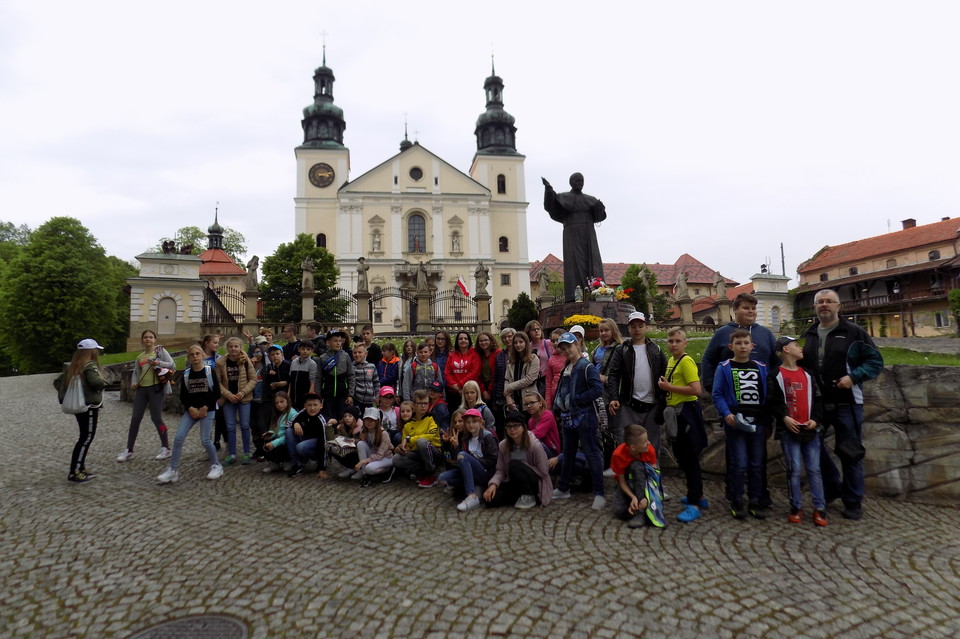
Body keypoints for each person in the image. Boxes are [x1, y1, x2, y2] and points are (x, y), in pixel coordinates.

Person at [801, 289, 883, 521]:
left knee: (850, 453)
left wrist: (853, 377)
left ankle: (853, 500)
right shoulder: (809, 334)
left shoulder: (854, 333)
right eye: (820, 302)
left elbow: (875, 361)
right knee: (812, 445)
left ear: (839, 306)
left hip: (847, 402)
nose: (824, 305)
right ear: (815, 307)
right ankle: (832, 486)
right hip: (818, 403)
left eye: (829, 301)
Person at [700, 292, 779, 508]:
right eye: (746, 308)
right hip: (733, 404)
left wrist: (773, 393)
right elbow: (708, 359)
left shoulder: (765, 334)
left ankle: (760, 493)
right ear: (735, 309)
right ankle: (733, 492)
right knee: (735, 455)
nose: (751, 312)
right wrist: (710, 386)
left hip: (760, 405)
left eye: (753, 308)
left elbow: (775, 362)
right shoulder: (723, 333)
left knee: (758, 455)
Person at [712, 328, 773, 520]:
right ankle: (737, 498)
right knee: (739, 463)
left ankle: (755, 499)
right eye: (738, 343)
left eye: (746, 343)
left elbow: (767, 394)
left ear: (752, 346)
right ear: (731, 347)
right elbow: (717, 393)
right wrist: (726, 413)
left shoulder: (761, 367)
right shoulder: (724, 367)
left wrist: (767, 417)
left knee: (756, 463)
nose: (743, 346)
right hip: (735, 422)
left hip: (757, 422)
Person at [770, 336, 828, 527]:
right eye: (796, 345)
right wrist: (784, 417)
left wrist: (816, 420)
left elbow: (819, 400)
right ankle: (796, 505)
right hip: (789, 430)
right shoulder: (775, 375)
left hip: (810, 428)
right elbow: (773, 401)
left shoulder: (808, 375)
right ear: (785, 349)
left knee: (814, 469)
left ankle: (820, 507)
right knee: (794, 469)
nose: (800, 348)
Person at [657, 327, 708, 523]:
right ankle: (698, 495)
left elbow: (696, 389)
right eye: (670, 341)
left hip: (686, 413)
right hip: (676, 415)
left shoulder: (686, 361)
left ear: (685, 343)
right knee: (684, 458)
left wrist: (668, 387)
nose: (673, 344)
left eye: (677, 341)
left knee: (690, 458)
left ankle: (694, 503)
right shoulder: (671, 360)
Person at [551, 331, 606, 510]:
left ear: (577, 344)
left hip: (584, 416)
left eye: (569, 347)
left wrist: (579, 399)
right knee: (568, 453)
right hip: (568, 417)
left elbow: (597, 389)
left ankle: (599, 493)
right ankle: (564, 487)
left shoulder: (586, 366)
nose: (567, 351)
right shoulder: (567, 366)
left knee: (591, 453)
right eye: (563, 349)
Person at [156, 344, 223, 483]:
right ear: (188, 357)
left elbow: (216, 392)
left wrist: (205, 407)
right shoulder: (187, 374)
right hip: (191, 410)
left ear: (203, 355)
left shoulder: (209, 371)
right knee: (179, 438)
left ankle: (216, 465)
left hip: (207, 410)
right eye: (192, 355)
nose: (195, 357)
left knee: (205, 440)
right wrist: (190, 408)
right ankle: (173, 470)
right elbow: (183, 396)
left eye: (197, 354)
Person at [605, 311, 668, 450]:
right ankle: (630, 470)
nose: (637, 329)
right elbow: (613, 374)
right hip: (630, 403)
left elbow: (665, 372)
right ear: (629, 329)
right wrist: (614, 396)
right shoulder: (622, 350)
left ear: (646, 327)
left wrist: (664, 396)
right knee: (629, 443)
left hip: (653, 404)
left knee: (652, 444)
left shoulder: (656, 350)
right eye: (633, 326)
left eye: (640, 325)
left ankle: (652, 470)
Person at [542, 172, 607, 303]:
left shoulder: (591, 199)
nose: (579, 183)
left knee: (592, 262)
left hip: (589, 233)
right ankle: (574, 296)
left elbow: (600, 216)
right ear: (571, 182)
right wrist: (549, 191)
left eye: (581, 180)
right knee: (574, 263)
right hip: (571, 233)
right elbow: (550, 207)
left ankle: (596, 292)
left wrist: (600, 208)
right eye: (577, 180)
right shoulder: (563, 197)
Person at [55, 338, 106, 483]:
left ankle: (81, 467)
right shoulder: (89, 365)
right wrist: (103, 382)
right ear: (91, 351)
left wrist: (66, 393)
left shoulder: (73, 366)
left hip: (78, 406)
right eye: (96, 349)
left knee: (84, 436)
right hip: (88, 406)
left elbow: (57, 382)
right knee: (86, 438)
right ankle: (75, 471)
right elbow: (96, 383)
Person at [118, 330, 174, 463]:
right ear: (142, 340)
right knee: (135, 418)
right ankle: (129, 450)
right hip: (142, 390)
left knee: (156, 418)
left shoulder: (160, 351)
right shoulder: (140, 357)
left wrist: (158, 363)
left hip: (155, 389)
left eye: (151, 337)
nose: (148, 339)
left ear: (155, 339)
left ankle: (166, 448)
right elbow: (136, 372)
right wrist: (134, 383)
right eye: (145, 337)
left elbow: (171, 364)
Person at [483, 410, 552, 509]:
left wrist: (523, 466)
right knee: (490, 500)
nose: (512, 429)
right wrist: (493, 485)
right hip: (514, 482)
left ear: (523, 427)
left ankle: (530, 496)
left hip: (534, 481)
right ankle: (518, 497)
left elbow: (544, 471)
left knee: (514, 465)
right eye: (509, 426)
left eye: (516, 426)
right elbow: (500, 470)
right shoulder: (503, 446)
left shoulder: (535, 445)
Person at [439, 408, 499, 511]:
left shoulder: (488, 437)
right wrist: (456, 446)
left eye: (474, 422)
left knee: (463, 455)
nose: (471, 425)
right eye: (468, 422)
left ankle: (471, 494)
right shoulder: (466, 438)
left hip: (485, 472)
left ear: (481, 422)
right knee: (442, 478)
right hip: (471, 471)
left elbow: (493, 460)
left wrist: (473, 460)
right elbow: (459, 461)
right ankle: (474, 487)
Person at [215, 336, 257, 465]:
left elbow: (253, 379)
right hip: (228, 399)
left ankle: (246, 453)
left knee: (245, 425)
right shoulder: (221, 362)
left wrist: (242, 393)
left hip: (244, 398)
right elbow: (217, 382)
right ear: (227, 348)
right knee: (230, 427)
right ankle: (232, 454)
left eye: (236, 346)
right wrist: (228, 395)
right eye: (231, 346)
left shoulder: (246, 361)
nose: (233, 349)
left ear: (240, 347)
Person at [610, 424, 658, 528]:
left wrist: (646, 498)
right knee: (619, 511)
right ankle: (639, 510)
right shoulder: (618, 455)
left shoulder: (649, 450)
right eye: (645, 441)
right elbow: (621, 482)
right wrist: (633, 498)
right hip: (628, 484)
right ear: (633, 447)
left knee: (636, 465)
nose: (649, 443)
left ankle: (642, 511)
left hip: (644, 484)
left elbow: (653, 478)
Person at [391, 389, 442, 487]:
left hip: (435, 453)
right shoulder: (408, 425)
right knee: (396, 459)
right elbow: (406, 445)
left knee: (421, 442)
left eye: (426, 403)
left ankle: (431, 474)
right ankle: (421, 471)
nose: (423, 406)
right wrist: (401, 449)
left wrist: (410, 439)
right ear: (414, 405)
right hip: (418, 454)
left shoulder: (432, 418)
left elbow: (431, 436)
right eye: (420, 403)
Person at [286, 393, 330, 479]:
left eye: (315, 405)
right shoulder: (303, 412)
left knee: (300, 447)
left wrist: (322, 468)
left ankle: (315, 461)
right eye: (309, 405)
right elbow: (288, 424)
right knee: (289, 431)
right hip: (304, 439)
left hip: (317, 445)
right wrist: (296, 423)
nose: (312, 408)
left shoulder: (321, 420)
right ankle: (296, 465)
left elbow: (324, 443)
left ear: (321, 406)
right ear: (305, 406)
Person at [353, 407, 395, 486]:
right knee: (360, 444)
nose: (369, 422)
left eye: (372, 420)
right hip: (374, 454)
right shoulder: (364, 431)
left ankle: (387, 470)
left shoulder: (383, 434)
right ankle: (364, 473)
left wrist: (362, 461)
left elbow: (380, 456)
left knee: (370, 468)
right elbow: (365, 446)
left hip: (386, 457)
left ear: (377, 421)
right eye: (367, 419)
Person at [318, 329, 353, 420]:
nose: (338, 343)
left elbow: (351, 376)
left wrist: (350, 394)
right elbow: (319, 378)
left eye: (339, 341)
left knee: (342, 417)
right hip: (327, 395)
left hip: (342, 395)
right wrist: (318, 396)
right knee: (328, 418)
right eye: (335, 341)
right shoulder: (322, 358)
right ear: (328, 342)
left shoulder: (345, 356)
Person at [503, 330, 539, 414]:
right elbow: (507, 379)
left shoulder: (533, 359)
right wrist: (508, 397)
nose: (518, 345)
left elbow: (529, 379)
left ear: (526, 343)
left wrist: (509, 387)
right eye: (515, 343)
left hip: (529, 400)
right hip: (514, 401)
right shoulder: (511, 361)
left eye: (521, 342)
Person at [444, 331, 480, 413]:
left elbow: (474, 372)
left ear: (469, 341)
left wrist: (460, 385)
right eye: (460, 339)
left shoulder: (474, 354)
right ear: (457, 341)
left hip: (470, 392)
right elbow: (447, 372)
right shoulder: (451, 355)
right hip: (454, 392)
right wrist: (454, 386)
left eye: (465, 338)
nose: (463, 340)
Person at [262, 391, 296, 474]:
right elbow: (275, 429)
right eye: (277, 403)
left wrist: (274, 443)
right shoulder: (277, 414)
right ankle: (274, 463)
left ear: (287, 401)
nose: (279, 405)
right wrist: (269, 434)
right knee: (264, 441)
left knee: (279, 446)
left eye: (282, 402)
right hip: (278, 438)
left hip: (287, 440)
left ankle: (288, 461)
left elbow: (289, 434)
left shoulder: (292, 414)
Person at [491, 327, 516, 437]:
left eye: (509, 336)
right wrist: (496, 398)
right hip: (501, 393)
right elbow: (497, 377)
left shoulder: (520, 353)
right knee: (502, 424)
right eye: (504, 338)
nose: (507, 339)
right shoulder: (500, 355)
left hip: (517, 392)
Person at [522, 390, 560, 459]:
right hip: (539, 450)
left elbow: (538, 434)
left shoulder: (547, 414)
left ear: (540, 403)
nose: (529, 406)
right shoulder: (531, 420)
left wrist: (519, 436)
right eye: (526, 404)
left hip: (552, 452)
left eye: (532, 403)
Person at [525, 320, 553, 397]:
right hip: (533, 380)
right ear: (529, 332)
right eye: (533, 329)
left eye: (538, 329)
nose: (536, 331)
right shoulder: (528, 347)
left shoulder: (548, 343)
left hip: (547, 378)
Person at [288, 340, 317, 410]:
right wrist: (288, 395)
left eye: (308, 349)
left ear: (312, 351)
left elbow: (312, 382)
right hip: (293, 396)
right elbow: (291, 381)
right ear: (299, 349)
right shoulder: (294, 362)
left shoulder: (312, 364)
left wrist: (309, 399)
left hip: (304, 396)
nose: (305, 351)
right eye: (303, 349)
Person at [349, 343, 380, 411]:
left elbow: (376, 382)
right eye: (355, 353)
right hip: (357, 400)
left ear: (366, 354)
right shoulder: (351, 367)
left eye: (360, 352)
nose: (357, 355)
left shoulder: (371, 366)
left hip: (370, 400)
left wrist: (377, 396)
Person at [473, 331, 499, 405]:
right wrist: (483, 391)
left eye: (486, 340)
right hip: (483, 388)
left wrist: (489, 391)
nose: (483, 342)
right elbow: (477, 375)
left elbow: (496, 374)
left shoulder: (497, 353)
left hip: (494, 387)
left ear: (491, 341)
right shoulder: (479, 356)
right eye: (481, 341)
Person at [544, 328, 567, 410]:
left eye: (558, 340)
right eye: (553, 341)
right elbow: (548, 382)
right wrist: (548, 403)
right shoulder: (551, 359)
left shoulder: (571, 355)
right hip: (555, 397)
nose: (555, 343)